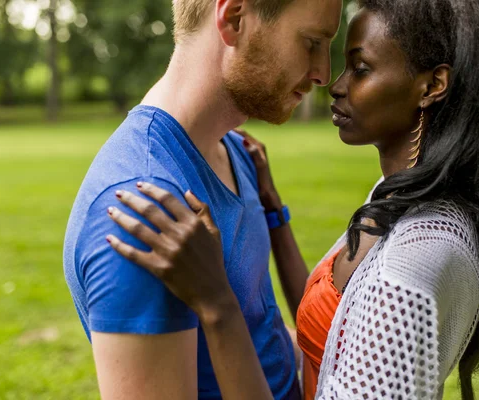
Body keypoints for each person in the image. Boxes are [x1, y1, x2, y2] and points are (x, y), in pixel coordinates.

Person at [106, 0, 479, 399]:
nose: (332, 84)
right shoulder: (398, 194)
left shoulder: (418, 260)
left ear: (432, 85)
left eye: (360, 69)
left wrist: (216, 303)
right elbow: (333, 324)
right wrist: (273, 211)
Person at [63, 0, 342, 398]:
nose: (323, 74)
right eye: (312, 41)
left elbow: (262, 326)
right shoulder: (143, 212)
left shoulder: (236, 151)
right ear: (233, 19)